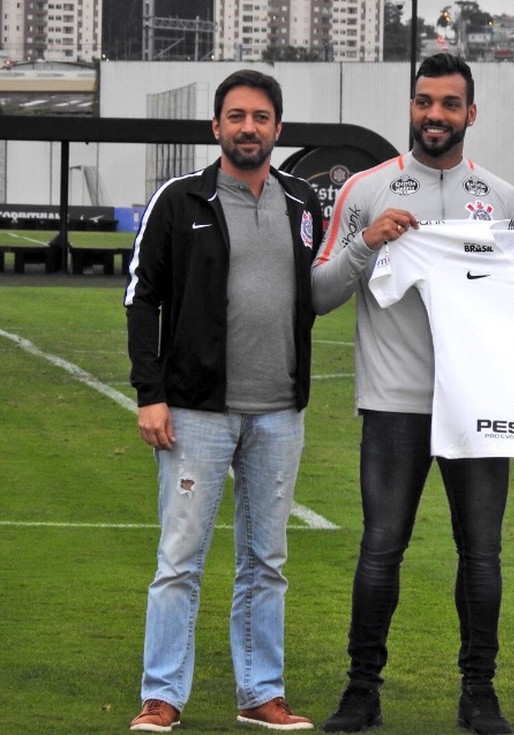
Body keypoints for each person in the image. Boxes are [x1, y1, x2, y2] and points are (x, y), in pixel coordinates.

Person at [311, 53, 514, 735]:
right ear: (412, 107)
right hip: (395, 404)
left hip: (478, 409)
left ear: (471, 112)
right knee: (381, 548)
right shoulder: (368, 191)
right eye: (425, 102)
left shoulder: (503, 198)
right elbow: (318, 294)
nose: (436, 115)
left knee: (482, 554)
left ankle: (479, 692)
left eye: (450, 103)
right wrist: (366, 244)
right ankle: (361, 689)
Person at [124, 69, 324, 733]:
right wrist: (151, 395)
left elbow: (309, 294)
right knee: (179, 561)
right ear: (216, 127)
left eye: (260, 117)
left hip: (279, 413)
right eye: (235, 116)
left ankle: (260, 692)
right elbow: (140, 297)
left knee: (266, 562)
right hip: (194, 413)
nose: (248, 127)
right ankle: (162, 696)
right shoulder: (179, 202)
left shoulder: (301, 203)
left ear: (277, 128)